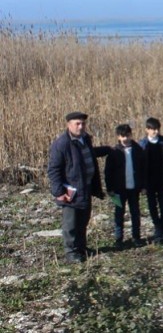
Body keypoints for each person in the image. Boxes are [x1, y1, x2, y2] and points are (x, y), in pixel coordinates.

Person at [47, 112, 109, 264]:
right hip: (71, 191)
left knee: (83, 220)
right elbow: (53, 169)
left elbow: (90, 154)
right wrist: (59, 192)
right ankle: (71, 252)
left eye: (83, 124)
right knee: (71, 223)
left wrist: (107, 149)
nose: (81, 127)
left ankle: (81, 248)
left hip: (85, 187)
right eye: (77, 124)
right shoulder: (61, 144)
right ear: (69, 125)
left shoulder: (85, 139)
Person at [104, 123, 147, 248]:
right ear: (118, 137)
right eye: (123, 136)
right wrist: (109, 188)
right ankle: (119, 238)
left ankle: (136, 237)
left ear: (131, 135)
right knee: (118, 213)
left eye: (127, 135)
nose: (125, 138)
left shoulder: (138, 150)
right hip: (118, 190)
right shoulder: (114, 152)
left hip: (134, 188)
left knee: (135, 212)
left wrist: (143, 186)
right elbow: (108, 172)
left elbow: (143, 169)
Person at [139, 117, 163, 241]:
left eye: (157, 129)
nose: (155, 132)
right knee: (152, 204)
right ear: (147, 130)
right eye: (152, 129)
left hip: (162, 179)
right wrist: (142, 185)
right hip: (149, 180)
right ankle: (157, 225)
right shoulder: (142, 144)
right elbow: (140, 166)